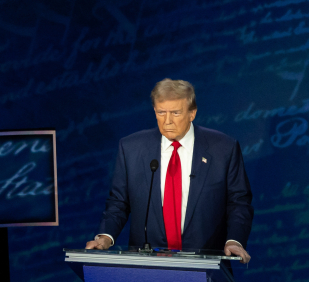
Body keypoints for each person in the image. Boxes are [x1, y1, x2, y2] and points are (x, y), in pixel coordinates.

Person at [85, 78, 253, 263]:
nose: (167, 121)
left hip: (206, 265)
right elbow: (118, 202)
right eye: (161, 112)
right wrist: (105, 237)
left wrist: (234, 240)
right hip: (146, 266)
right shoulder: (131, 148)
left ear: (192, 113)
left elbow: (239, 202)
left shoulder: (223, 148)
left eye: (175, 113)